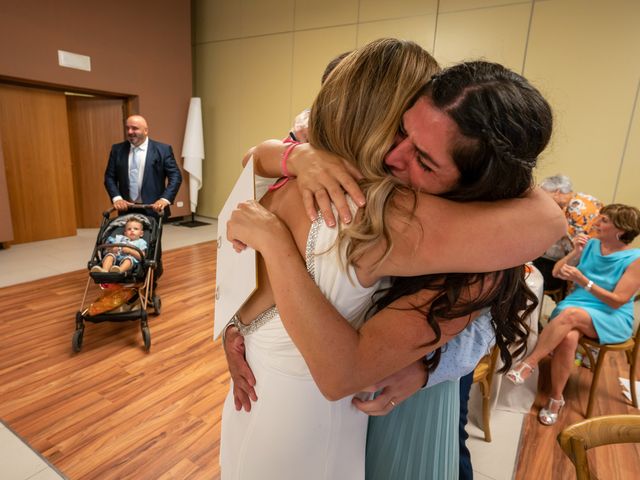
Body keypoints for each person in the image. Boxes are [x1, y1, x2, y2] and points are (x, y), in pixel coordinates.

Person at [221, 40, 563, 479]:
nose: (393, 157)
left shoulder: (378, 209)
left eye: (419, 154)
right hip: (316, 417)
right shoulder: (362, 201)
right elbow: (549, 221)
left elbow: (543, 229)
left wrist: (427, 371)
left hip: (324, 404)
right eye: (403, 131)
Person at [507, 204, 640, 425]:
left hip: (610, 316)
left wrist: (584, 282)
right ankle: (556, 399)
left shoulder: (635, 259)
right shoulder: (590, 245)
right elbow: (556, 272)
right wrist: (576, 253)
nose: (597, 221)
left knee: (570, 315)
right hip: (577, 306)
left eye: (605, 220)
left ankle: (528, 363)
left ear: (621, 231)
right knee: (568, 337)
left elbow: (617, 301)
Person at [533, 174, 603, 294]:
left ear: (557, 192)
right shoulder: (573, 200)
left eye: (544, 194)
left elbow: (578, 248)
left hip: (586, 262)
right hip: (574, 255)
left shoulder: (579, 208)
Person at [104, 114, 182, 218]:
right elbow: (109, 177)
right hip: (126, 208)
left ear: (146, 130)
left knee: (150, 234)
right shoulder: (117, 150)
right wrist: (117, 198)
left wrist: (164, 199)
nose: (130, 132)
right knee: (128, 234)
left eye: (134, 128)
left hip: (153, 208)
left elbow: (175, 177)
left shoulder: (163, 150)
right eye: (127, 128)